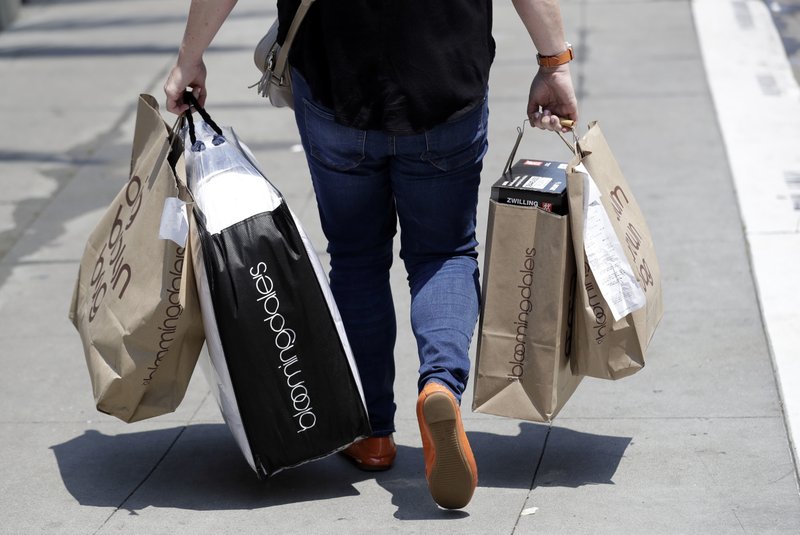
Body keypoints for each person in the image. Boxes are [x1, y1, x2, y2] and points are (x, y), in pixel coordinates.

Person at [165, 0, 578, 510]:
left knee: (357, 258)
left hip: (337, 84)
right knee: (444, 252)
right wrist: (553, 63)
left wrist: (191, 56)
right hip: (445, 82)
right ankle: (439, 386)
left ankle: (374, 432)